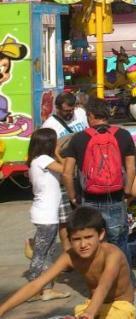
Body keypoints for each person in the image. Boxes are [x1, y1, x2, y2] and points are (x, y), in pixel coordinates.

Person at [0, 207, 135, 319]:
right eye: (76, 239)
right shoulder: (70, 256)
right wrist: (2, 310)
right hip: (92, 307)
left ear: (100, 235)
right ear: (69, 239)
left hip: (120, 308)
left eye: (88, 237)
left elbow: (104, 285)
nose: (83, 244)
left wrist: (89, 313)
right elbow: (36, 284)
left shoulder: (112, 254)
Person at [62, 98, 136, 290]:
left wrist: (73, 197)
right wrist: (127, 191)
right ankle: (129, 284)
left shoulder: (79, 139)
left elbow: (67, 173)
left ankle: (96, 286)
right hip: (116, 197)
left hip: (89, 200)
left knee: (92, 244)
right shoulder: (123, 135)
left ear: (90, 116)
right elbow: (131, 166)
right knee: (119, 242)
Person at [22, 128, 71, 302]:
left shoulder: (37, 161)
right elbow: (67, 169)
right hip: (46, 215)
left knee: (48, 253)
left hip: (47, 213)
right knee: (40, 254)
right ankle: (33, 288)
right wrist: (59, 153)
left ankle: (47, 288)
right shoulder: (43, 159)